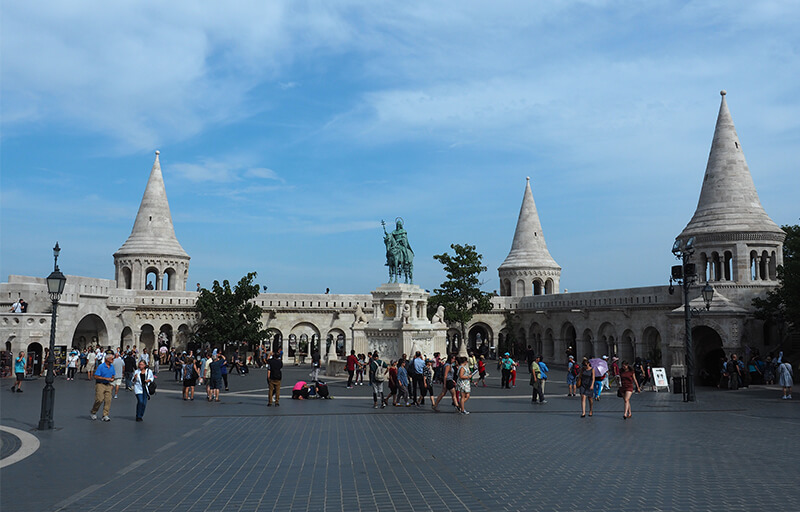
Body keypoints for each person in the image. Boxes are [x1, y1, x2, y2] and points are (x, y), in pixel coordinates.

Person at [90, 354, 116, 421]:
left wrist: (112, 379)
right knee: (99, 399)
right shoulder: (101, 366)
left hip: (108, 385)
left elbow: (113, 375)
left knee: (108, 400)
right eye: (112, 359)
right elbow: (96, 376)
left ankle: (105, 415)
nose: (113, 360)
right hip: (100, 384)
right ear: (107, 359)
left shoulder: (112, 367)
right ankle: (93, 411)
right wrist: (106, 378)